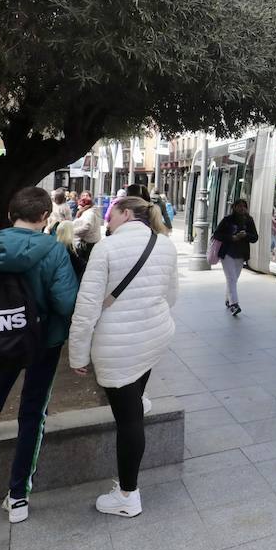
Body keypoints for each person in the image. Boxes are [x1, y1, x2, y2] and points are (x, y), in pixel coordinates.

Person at [0, 187, 79, 524]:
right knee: (32, 413)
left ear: (11, 215)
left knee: (10, 361)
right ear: (44, 217)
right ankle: (19, 496)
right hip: (44, 339)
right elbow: (66, 302)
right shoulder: (53, 252)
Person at [68, 196, 178, 519]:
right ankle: (137, 400)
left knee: (128, 421)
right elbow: (171, 297)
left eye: (110, 214)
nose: (107, 220)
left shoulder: (106, 249)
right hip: (153, 337)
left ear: (126, 213)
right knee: (134, 400)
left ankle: (128, 495)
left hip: (118, 346)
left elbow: (86, 308)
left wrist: (78, 355)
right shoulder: (166, 246)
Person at [211, 198, 258, 316]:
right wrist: (232, 237)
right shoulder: (227, 220)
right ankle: (234, 304)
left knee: (233, 279)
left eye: (244, 206)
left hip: (241, 254)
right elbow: (217, 234)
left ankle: (228, 299)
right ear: (234, 207)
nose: (242, 208)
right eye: (239, 206)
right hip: (227, 253)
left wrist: (246, 235)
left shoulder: (249, 220)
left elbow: (255, 237)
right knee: (231, 278)